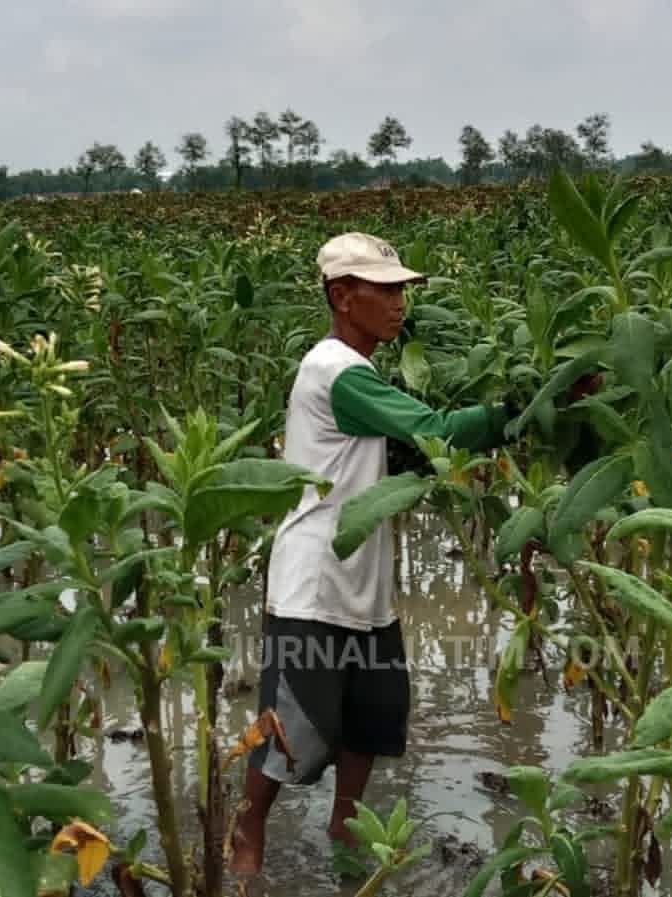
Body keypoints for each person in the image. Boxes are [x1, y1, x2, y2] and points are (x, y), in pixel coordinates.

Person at [229, 233, 523, 877]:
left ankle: (346, 832)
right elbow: (437, 430)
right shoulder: (335, 370)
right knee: (292, 734)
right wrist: (515, 410)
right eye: (384, 290)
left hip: (366, 587)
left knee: (373, 718)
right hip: (314, 588)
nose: (399, 304)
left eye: (401, 290)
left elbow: (398, 453)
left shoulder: (360, 374)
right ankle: (245, 836)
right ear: (342, 296)